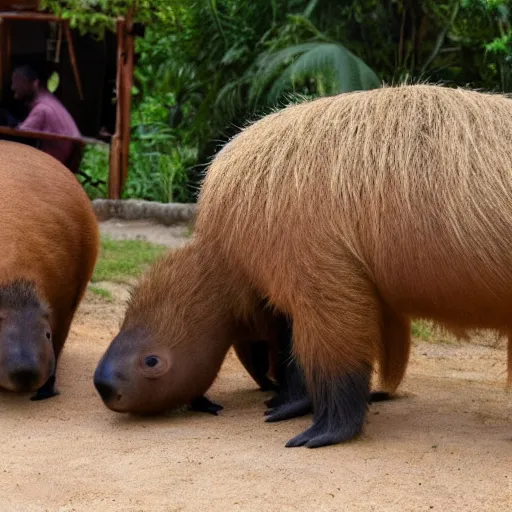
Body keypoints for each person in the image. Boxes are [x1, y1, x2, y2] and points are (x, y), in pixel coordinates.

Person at [11, 65, 81, 165]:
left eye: (18, 83)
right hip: (61, 158)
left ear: (34, 83)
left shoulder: (42, 108)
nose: (13, 87)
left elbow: (20, 134)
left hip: (51, 162)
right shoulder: (49, 101)